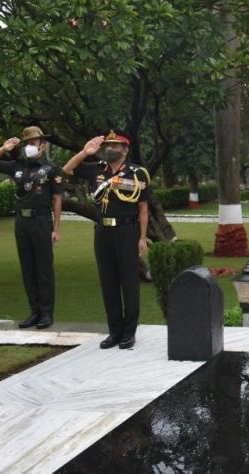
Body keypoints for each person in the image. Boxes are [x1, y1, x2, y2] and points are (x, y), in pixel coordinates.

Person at [63, 130, 150, 350]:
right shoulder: (97, 169)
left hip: (127, 231)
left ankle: (129, 333)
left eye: (115, 145)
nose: (110, 148)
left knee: (129, 283)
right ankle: (114, 332)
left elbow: (143, 208)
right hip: (103, 232)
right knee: (108, 282)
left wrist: (142, 237)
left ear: (125, 149)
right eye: (108, 145)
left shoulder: (136, 173)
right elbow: (66, 170)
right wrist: (85, 152)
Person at [0, 126, 64, 329]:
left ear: (42, 144)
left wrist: (56, 228)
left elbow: (56, 199)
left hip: (41, 221)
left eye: (34, 142)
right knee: (28, 269)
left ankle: (47, 313)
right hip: (22, 222)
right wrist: (4, 148)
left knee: (43, 269)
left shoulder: (51, 169)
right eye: (27, 142)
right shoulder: (17, 165)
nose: (30, 145)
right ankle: (34, 312)